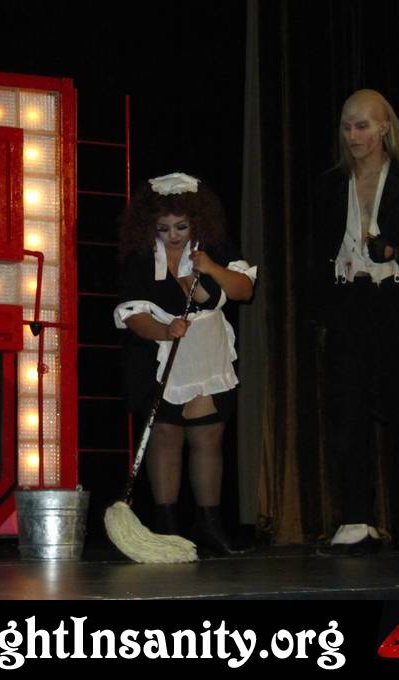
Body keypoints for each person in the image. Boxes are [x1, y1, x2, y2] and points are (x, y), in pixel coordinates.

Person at [311, 89, 399, 555]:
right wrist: (323, 310)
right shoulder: (330, 185)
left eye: (363, 125)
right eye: (347, 126)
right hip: (349, 304)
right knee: (348, 415)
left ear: (385, 126)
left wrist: (396, 249)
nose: (353, 135)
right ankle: (356, 521)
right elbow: (315, 251)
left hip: (396, 303)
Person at [114, 172, 256, 556]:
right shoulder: (140, 258)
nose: (173, 235)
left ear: (196, 220)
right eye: (163, 228)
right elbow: (131, 315)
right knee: (165, 434)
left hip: (207, 349)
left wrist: (211, 268)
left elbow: (244, 290)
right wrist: (163, 330)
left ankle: (209, 526)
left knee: (208, 437)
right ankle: (166, 527)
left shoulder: (214, 247)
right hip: (157, 352)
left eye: (181, 226)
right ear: (150, 225)